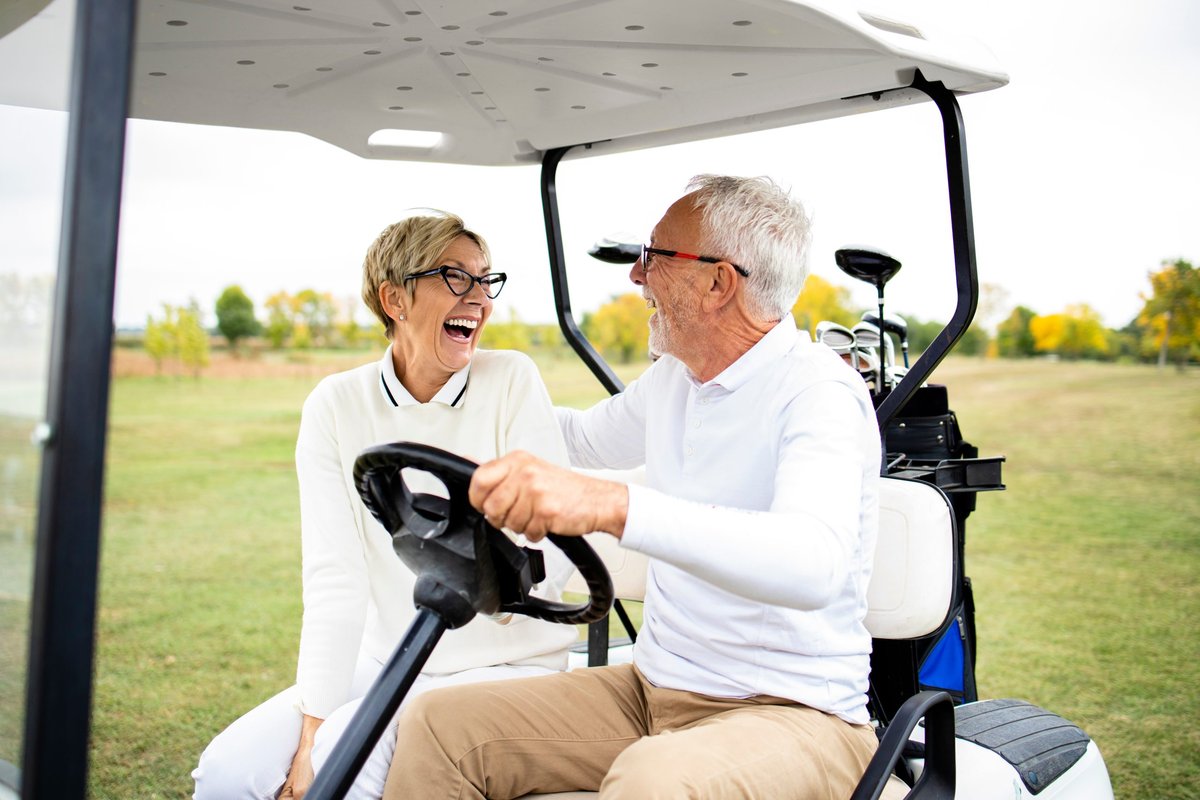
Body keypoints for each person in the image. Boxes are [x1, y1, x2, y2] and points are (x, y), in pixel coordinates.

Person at [381, 175, 883, 799]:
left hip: (796, 716)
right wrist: (434, 405)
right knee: (439, 726)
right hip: (651, 693)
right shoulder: (677, 378)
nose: (636, 276)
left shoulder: (818, 393)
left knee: (653, 781)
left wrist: (616, 505)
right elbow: (573, 439)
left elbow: (814, 563)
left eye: (655, 256)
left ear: (719, 283)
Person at [192, 213, 578, 799]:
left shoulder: (512, 381)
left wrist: (493, 572)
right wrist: (311, 731)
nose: (479, 298)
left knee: (340, 768)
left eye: (485, 279)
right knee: (228, 771)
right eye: (455, 277)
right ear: (394, 297)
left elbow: (551, 554)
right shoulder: (335, 404)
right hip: (389, 657)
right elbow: (335, 578)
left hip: (505, 668)